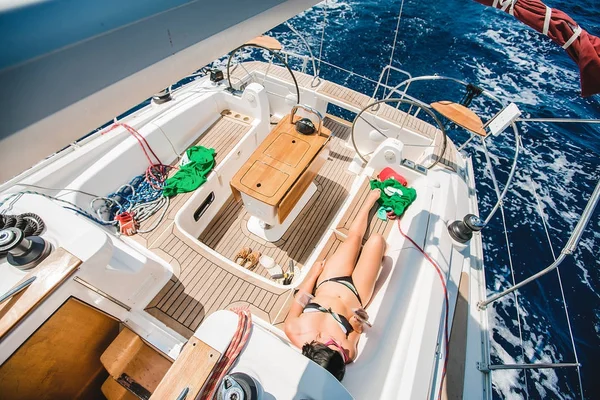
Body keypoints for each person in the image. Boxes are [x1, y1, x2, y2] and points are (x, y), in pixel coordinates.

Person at [284, 188, 386, 381]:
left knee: (354, 239)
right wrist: (358, 321)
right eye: (337, 347)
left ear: (313, 347)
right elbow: (357, 330)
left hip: (329, 280)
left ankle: (370, 200)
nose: (336, 344)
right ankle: (374, 254)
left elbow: (302, 299)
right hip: (357, 293)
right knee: (376, 240)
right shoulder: (347, 354)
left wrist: (314, 274)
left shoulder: (293, 329)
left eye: (330, 343)